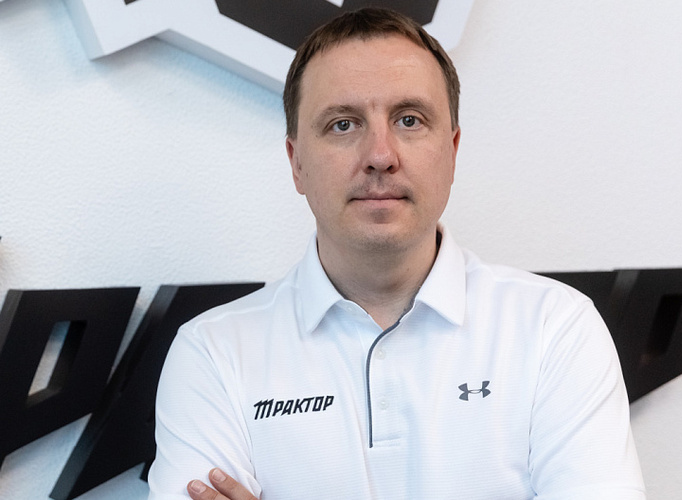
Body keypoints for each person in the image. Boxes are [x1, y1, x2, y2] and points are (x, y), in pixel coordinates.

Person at [148, 8, 645, 500]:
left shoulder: (555, 329)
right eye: (343, 124)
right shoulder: (213, 354)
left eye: (410, 120)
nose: (381, 156)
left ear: (452, 151)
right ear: (296, 162)